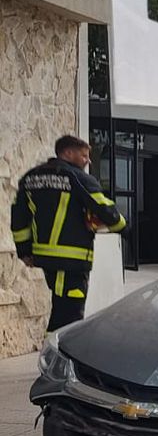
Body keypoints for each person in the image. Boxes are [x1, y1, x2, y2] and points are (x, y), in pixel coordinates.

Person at [10, 134, 126, 333]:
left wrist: (24, 251)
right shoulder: (78, 178)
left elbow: (19, 219)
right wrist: (123, 228)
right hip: (72, 259)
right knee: (69, 317)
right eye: (84, 155)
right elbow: (104, 208)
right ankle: (58, 358)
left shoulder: (31, 178)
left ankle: (57, 355)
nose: (88, 160)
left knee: (61, 306)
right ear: (68, 153)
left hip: (46, 258)